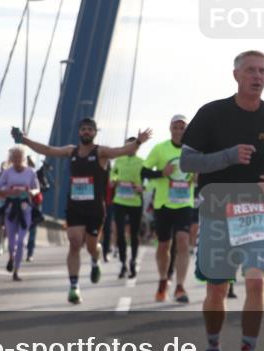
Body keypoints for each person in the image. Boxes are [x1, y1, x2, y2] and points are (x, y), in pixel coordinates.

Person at [180, 50, 264, 351]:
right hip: (218, 210)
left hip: (258, 212)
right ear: (236, 75)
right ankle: (213, 348)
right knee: (217, 289)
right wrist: (228, 157)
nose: (258, 76)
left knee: (256, 281)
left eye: (263, 71)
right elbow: (187, 163)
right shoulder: (211, 113)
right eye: (251, 70)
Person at [13, 119, 152, 304]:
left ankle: (96, 259)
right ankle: (74, 286)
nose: (86, 132)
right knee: (75, 242)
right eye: (83, 129)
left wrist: (138, 142)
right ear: (79, 132)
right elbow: (47, 150)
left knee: (92, 246)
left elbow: (121, 151)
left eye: (90, 129)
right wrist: (25, 140)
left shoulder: (101, 152)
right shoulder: (72, 151)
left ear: (95, 132)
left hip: (95, 208)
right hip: (75, 206)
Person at [142, 115, 196, 303]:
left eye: (183, 127)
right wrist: (161, 173)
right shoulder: (160, 149)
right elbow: (144, 171)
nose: (179, 130)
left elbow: (201, 174)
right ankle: (163, 279)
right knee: (164, 245)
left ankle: (180, 287)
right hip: (163, 204)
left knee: (182, 241)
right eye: (176, 127)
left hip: (184, 204)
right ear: (170, 128)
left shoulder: (194, 151)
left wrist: (197, 177)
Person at [0, 145, 40, 281]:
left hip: (25, 209)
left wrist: (30, 192)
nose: (16, 159)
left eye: (19, 157)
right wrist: (9, 191)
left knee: (21, 241)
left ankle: (16, 270)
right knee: (11, 242)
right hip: (10, 209)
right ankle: (11, 257)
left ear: (23, 158)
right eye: (14, 157)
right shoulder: (7, 173)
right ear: (11, 159)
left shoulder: (31, 172)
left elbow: (36, 188)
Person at [110, 136, 145, 278]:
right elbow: (113, 174)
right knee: (119, 233)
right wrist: (114, 180)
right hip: (119, 200)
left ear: (137, 147)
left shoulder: (143, 162)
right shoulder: (119, 160)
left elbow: (149, 180)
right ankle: (123, 263)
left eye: (132, 145)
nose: (129, 148)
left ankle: (133, 261)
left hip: (135, 202)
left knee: (134, 235)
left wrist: (143, 187)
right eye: (127, 146)